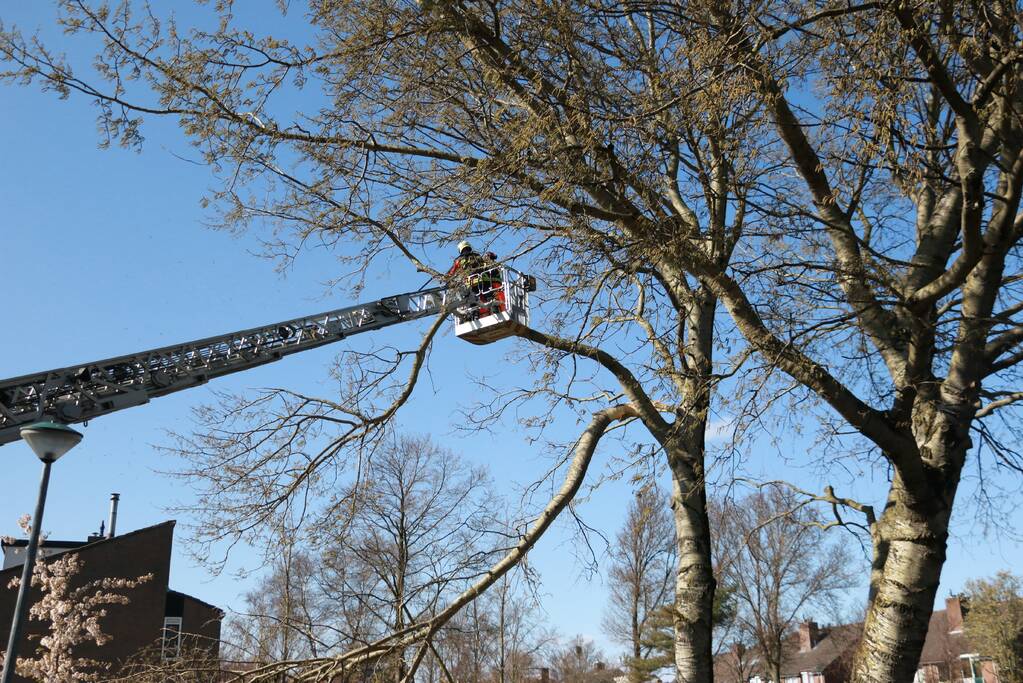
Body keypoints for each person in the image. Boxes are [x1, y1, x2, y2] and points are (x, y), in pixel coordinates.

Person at [448, 241, 504, 318]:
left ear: (460, 249)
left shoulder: (459, 260)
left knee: (472, 300)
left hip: (471, 283)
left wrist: (446, 278)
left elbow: (451, 272)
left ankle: (475, 315)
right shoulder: (477, 256)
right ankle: (495, 310)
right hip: (484, 279)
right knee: (489, 296)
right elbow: (487, 264)